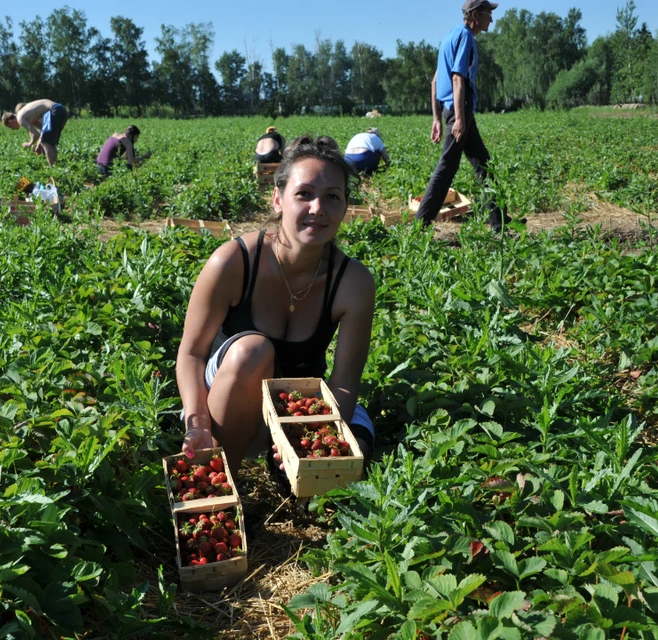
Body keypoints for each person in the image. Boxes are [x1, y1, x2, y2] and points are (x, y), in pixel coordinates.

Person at [177, 136, 376, 474]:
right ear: (278, 199)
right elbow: (192, 354)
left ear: (345, 207)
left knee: (351, 462)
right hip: (225, 400)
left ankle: (285, 465)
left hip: (298, 404)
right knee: (252, 351)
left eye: (332, 197)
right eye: (304, 194)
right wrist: (197, 424)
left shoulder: (352, 281)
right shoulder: (234, 262)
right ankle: (224, 476)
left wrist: (315, 439)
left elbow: (343, 382)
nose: (318, 208)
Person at [416, 0, 515, 231]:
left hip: (455, 110)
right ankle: (420, 226)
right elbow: (458, 78)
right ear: (474, 15)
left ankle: (498, 220)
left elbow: (435, 81)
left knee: (484, 164)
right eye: (488, 13)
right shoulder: (466, 37)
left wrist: (436, 118)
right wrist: (459, 118)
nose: (491, 18)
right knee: (447, 167)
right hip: (461, 110)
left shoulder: (450, 36)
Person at [1, 99, 69, 167]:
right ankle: (55, 168)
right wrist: (38, 144)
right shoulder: (26, 115)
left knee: (46, 142)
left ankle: (53, 169)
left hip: (54, 111)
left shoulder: (20, 118)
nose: (12, 129)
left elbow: (36, 134)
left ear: (10, 121)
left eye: (10, 127)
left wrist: (29, 144)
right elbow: (42, 128)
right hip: (61, 110)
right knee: (50, 143)